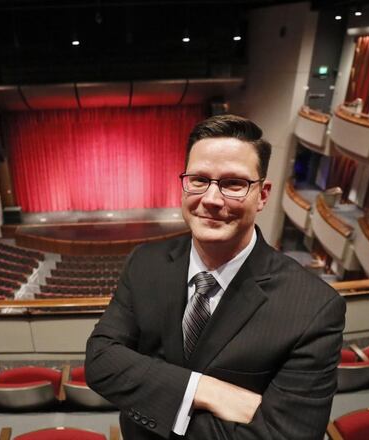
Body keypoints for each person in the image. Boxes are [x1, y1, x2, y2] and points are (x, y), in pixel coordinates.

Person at [85, 114, 345, 439]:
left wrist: (153, 397)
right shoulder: (145, 263)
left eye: (233, 184)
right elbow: (99, 360)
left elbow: (288, 435)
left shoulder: (314, 307)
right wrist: (205, 389)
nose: (210, 199)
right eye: (199, 180)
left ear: (262, 195)